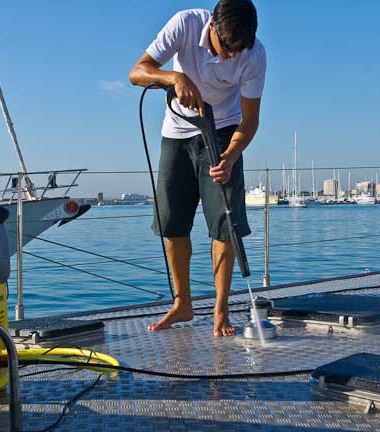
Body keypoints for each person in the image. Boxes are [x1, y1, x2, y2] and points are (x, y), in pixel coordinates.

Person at [128, 0, 266, 336]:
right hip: (177, 132)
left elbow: (249, 122)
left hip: (223, 133)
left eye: (239, 51)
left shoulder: (254, 54)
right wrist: (174, 77)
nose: (231, 57)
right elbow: (137, 72)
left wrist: (231, 155)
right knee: (172, 223)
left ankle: (221, 311)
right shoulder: (185, 24)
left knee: (224, 226)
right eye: (227, 49)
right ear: (212, 29)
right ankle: (183, 303)